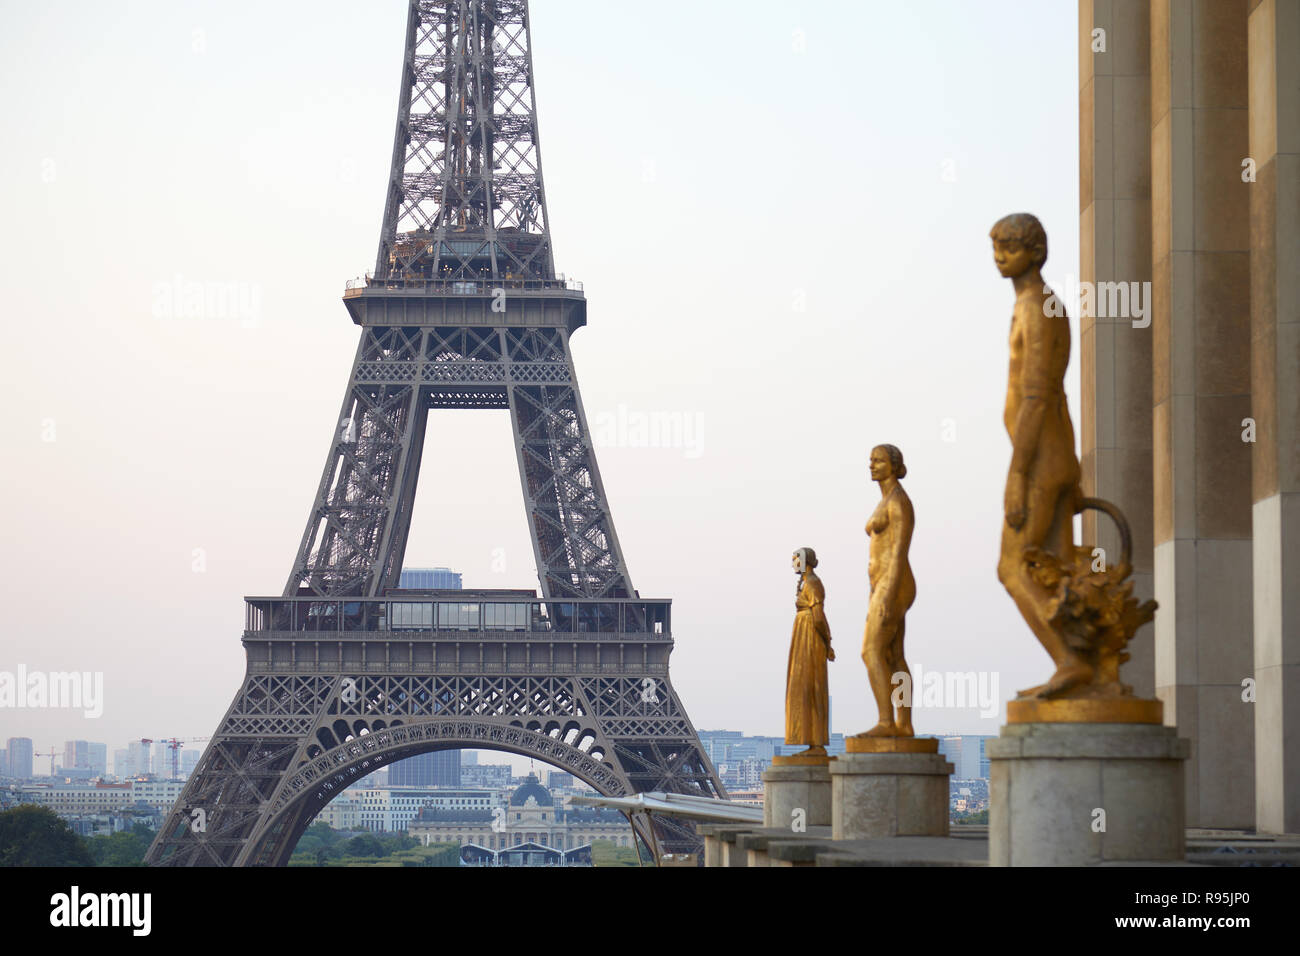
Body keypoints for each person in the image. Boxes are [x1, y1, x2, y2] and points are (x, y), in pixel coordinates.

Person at [990, 213, 1090, 697]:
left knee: (1013, 568)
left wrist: (1017, 474)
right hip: (1053, 457)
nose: (999, 254)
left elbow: (1037, 395)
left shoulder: (1037, 306)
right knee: (1057, 572)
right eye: (996, 245)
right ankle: (1083, 673)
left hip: (1039, 461)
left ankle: (1070, 662)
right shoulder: (1042, 305)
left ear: (1034, 250)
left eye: (1010, 245)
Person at [861, 444, 917, 736]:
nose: (871, 465)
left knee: (871, 651)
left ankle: (887, 722)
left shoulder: (898, 502)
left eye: (878, 461)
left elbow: (899, 552)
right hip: (883, 584)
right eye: (870, 460)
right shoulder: (887, 500)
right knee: (894, 656)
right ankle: (903, 724)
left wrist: (887, 592)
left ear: (894, 466)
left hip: (893, 582)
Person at [786, 548, 834, 756]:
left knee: (811, 686)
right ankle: (811, 741)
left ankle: (816, 743)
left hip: (810, 638)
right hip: (804, 635)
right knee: (804, 687)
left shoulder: (813, 583)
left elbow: (818, 616)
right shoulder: (807, 583)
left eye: (795, 559)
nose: (793, 563)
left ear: (804, 560)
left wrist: (827, 642)